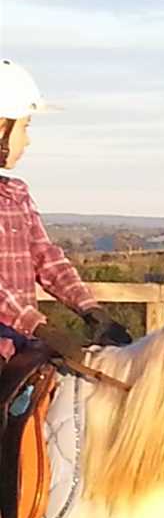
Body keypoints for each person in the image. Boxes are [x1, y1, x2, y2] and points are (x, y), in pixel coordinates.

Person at [0, 59, 131, 372]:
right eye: (25, 126)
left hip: (21, 347)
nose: (28, 140)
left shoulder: (16, 193)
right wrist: (40, 327)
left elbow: (47, 258)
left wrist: (90, 310)